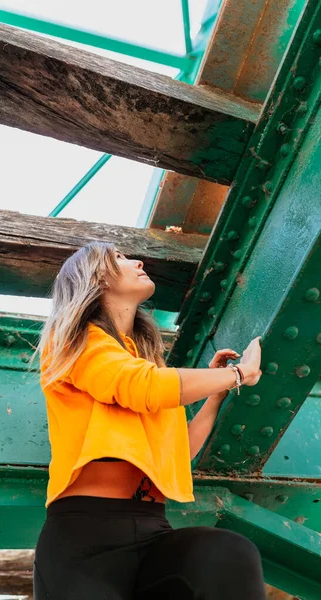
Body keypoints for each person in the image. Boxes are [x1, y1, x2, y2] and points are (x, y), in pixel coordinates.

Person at [32, 241, 265, 599]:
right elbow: (144, 388)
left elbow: (177, 453)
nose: (138, 260)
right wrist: (239, 374)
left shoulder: (147, 364)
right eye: (120, 258)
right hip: (84, 538)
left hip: (154, 529)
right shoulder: (74, 343)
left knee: (229, 553)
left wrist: (215, 394)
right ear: (94, 278)